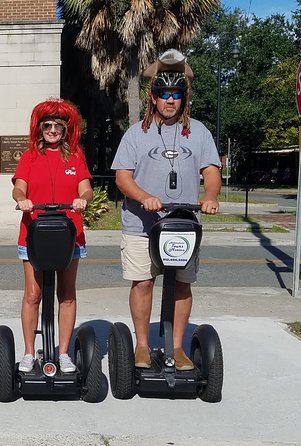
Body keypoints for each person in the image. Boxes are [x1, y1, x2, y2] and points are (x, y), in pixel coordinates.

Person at [110, 49, 221, 370]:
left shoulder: (198, 132)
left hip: (184, 224)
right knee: (143, 282)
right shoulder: (136, 133)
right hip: (141, 225)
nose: (170, 101)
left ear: (183, 98)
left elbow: (211, 171)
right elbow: (122, 177)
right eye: (163, 94)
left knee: (182, 284)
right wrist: (143, 196)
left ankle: (177, 347)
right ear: (153, 98)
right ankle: (142, 346)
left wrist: (211, 196)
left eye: (176, 94)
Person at [11, 98, 93, 373]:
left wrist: (82, 199)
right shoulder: (30, 156)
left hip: (69, 233)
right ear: (40, 128)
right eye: (48, 125)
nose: (53, 130)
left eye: (58, 125)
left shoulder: (76, 157)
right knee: (33, 294)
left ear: (66, 129)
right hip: (35, 232)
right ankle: (29, 352)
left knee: (67, 293)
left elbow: (86, 189)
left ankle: (64, 353)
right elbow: (18, 188)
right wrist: (22, 199)